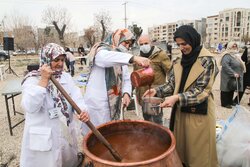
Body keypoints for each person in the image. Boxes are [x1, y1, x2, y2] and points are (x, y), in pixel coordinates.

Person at [143, 25, 219, 167]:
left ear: (193, 40)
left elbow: (202, 90)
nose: (182, 48)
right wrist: (157, 91)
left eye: (184, 43)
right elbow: (172, 84)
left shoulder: (207, 61)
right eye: (178, 44)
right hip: (181, 113)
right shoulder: (178, 61)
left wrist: (177, 98)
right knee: (181, 153)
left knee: (199, 155)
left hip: (199, 114)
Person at [20, 43, 89, 167]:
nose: (61, 64)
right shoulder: (32, 80)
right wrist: (43, 81)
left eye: (62, 60)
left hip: (64, 133)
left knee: (67, 161)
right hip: (44, 138)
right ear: (46, 59)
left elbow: (76, 97)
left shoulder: (66, 78)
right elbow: (29, 106)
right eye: (56, 60)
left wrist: (83, 110)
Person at [81, 28, 151, 135]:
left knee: (109, 134)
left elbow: (126, 79)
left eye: (129, 44)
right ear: (117, 38)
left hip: (113, 104)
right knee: (94, 136)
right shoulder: (101, 50)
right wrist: (134, 58)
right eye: (125, 42)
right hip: (97, 105)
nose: (127, 46)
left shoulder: (122, 57)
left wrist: (126, 93)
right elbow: (105, 59)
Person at [134, 34, 171, 124]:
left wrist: (167, 89)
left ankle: (159, 137)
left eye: (146, 43)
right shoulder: (138, 58)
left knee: (157, 120)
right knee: (147, 120)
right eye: (141, 44)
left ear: (150, 43)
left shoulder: (160, 55)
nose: (144, 46)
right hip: (143, 95)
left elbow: (170, 72)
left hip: (156, 95)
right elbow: (136, 77)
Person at [220, 41, 245, 108]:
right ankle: (224, 103)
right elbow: (225, 65)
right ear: (229, 46)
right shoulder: (227, 55)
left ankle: (230, 101)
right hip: (227, 75)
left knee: (231, 88)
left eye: (235, 46)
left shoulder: (236, 55)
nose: (234, 47)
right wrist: (233, 73)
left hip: (235, 75)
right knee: (225, 88)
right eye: (233, 46)